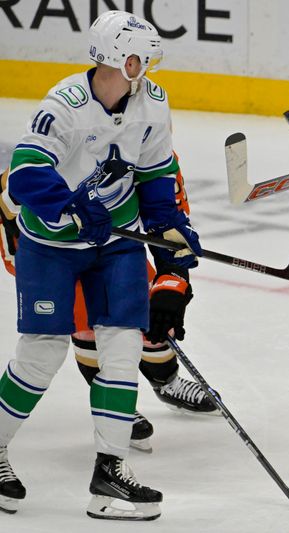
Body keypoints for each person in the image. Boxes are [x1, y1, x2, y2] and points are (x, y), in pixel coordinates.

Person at [0, 10, 202, 520]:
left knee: (122, 345)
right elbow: (24, 176)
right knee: (41, 355)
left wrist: (172, 242)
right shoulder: (63, 107)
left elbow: (156, 182)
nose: (148, 68)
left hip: (114, 244)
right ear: (119, 58)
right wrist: (69, 207)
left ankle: (109, 475)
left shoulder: (152, 104)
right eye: (142, 58)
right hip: (51, 243)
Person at [0, 162, 219, 453]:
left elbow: (170, 219)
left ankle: (166, 381)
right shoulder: (56, 147)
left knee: (151, 313)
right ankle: (112, 406)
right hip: (46, 249)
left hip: (109, 246)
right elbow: (11, 200)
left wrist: (174, 276)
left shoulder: (154, 152)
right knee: (87, 325)